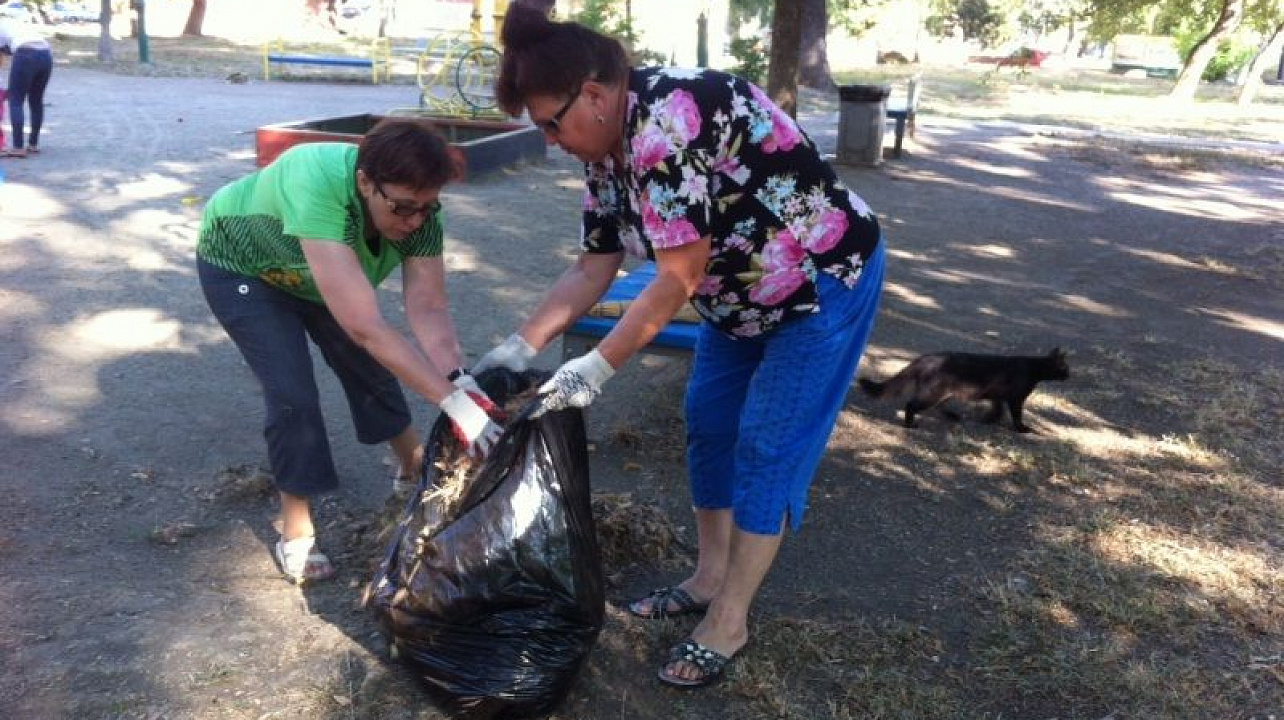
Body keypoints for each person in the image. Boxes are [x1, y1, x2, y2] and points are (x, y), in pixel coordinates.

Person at [477, 4, 886, 689]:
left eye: (552, 122)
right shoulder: (605, 152)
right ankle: (707, 576)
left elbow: (678, 273)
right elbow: (594, 266)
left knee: (766, 445)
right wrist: (519, 346)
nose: (549, 140)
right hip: (737, 299)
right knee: (709, 427)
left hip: (819, 283)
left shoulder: (667, 119)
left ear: (597, 95)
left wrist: (594, 369)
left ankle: (729, 619)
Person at [197, 120, 503, 584]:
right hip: (245, 266)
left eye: (426, 208)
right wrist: (454, 405)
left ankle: (411, 464)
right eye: (403, 208)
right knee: (292, 391)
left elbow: (429, 307)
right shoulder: (315, 179)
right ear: (365, 183)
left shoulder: (417, 209)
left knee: (369, 365)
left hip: (314, 269)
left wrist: (458, 379)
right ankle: (296, 527)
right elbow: (365, 326)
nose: (415, 221)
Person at [0, 17, 51, 159]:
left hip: (26, 54)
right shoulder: (15, 21)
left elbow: (3, 51)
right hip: (46, 54)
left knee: (15, 99)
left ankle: (17, 147)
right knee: (36, 101)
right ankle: (33, 144)